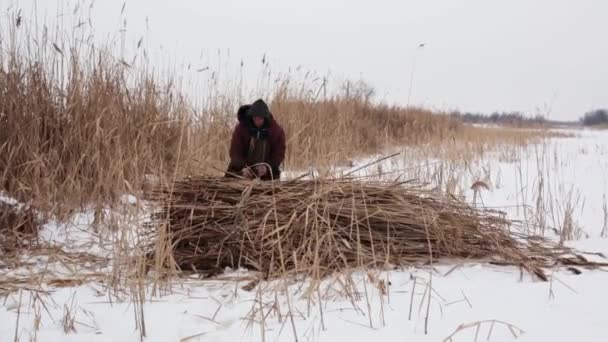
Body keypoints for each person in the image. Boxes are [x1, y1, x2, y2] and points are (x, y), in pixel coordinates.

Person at [225, 99, 286, 180]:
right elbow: (235, 151)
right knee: (230, 187)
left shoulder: (276, 131)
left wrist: (267, 167)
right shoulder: (241, 129)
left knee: (271, 189)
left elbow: (279, 154)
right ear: (251, 116)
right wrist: (242, 167)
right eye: (255, 118)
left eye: (260, 118)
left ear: (265, 117)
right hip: (242, 171)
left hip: (266, 173)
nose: (257, 121)